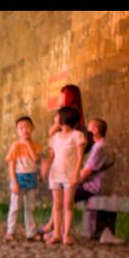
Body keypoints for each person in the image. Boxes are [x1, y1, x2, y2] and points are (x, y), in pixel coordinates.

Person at [39, 84, 89, 237]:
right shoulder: (64, 123)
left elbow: (52, 132)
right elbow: (52, 146)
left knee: (65, 204)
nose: (59, 98)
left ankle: (60, 231)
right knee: (58, 203)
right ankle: (56, 230)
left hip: (69, 170)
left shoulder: (71, 122)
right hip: (58, 171)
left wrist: (56, 123)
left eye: (62, 94)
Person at [72, 118, 123, 244]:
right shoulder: (99, 146)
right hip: (99, 185)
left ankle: (58, 229)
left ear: (95, 130)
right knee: (65, 194)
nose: (86, 131)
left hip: (95, 187)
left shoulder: (99, 148)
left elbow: (86, 172)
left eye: (89, 128)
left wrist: (72, 182)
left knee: (66, 195)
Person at [5, 116, 42, 241]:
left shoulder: (36, 145)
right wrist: (14, 182)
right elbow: (11, 166)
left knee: (30, 207)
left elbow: (36, 159)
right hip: (19, 178)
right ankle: (10, 231)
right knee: (15, 206)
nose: (24, 130)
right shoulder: (15, 146)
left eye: (27, 127)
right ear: (17, 131)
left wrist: (28, 144)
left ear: (32, 128)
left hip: (32, 177)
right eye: (21, 128)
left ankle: (31, 232)